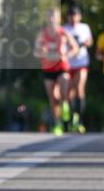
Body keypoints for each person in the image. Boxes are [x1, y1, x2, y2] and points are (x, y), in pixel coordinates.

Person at [33, 8, 79, 136]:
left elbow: (75, 48)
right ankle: (57, 123)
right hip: (48, 68)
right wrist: (42, 53)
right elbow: (35, 52)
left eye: (55, 16)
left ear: (59, 18)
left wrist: (67, 55)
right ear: (47, 18)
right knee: (53, 98)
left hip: (62, 66)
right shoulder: (42, 34)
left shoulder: (64, 33)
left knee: (64, 91)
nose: (52, 19)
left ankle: (66, 108)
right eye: (50, 16)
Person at [63, 4, 93, 133]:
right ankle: (70, 119)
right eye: (71, 16)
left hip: (81, 62)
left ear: (79, 17)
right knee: (68, 93)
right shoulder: (64, 29)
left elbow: (90, 41)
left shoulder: (84, 27)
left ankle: (80, 120)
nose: (73, 18)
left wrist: (85, 43)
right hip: (68, 64)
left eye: (75, 16)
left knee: (80, 88)